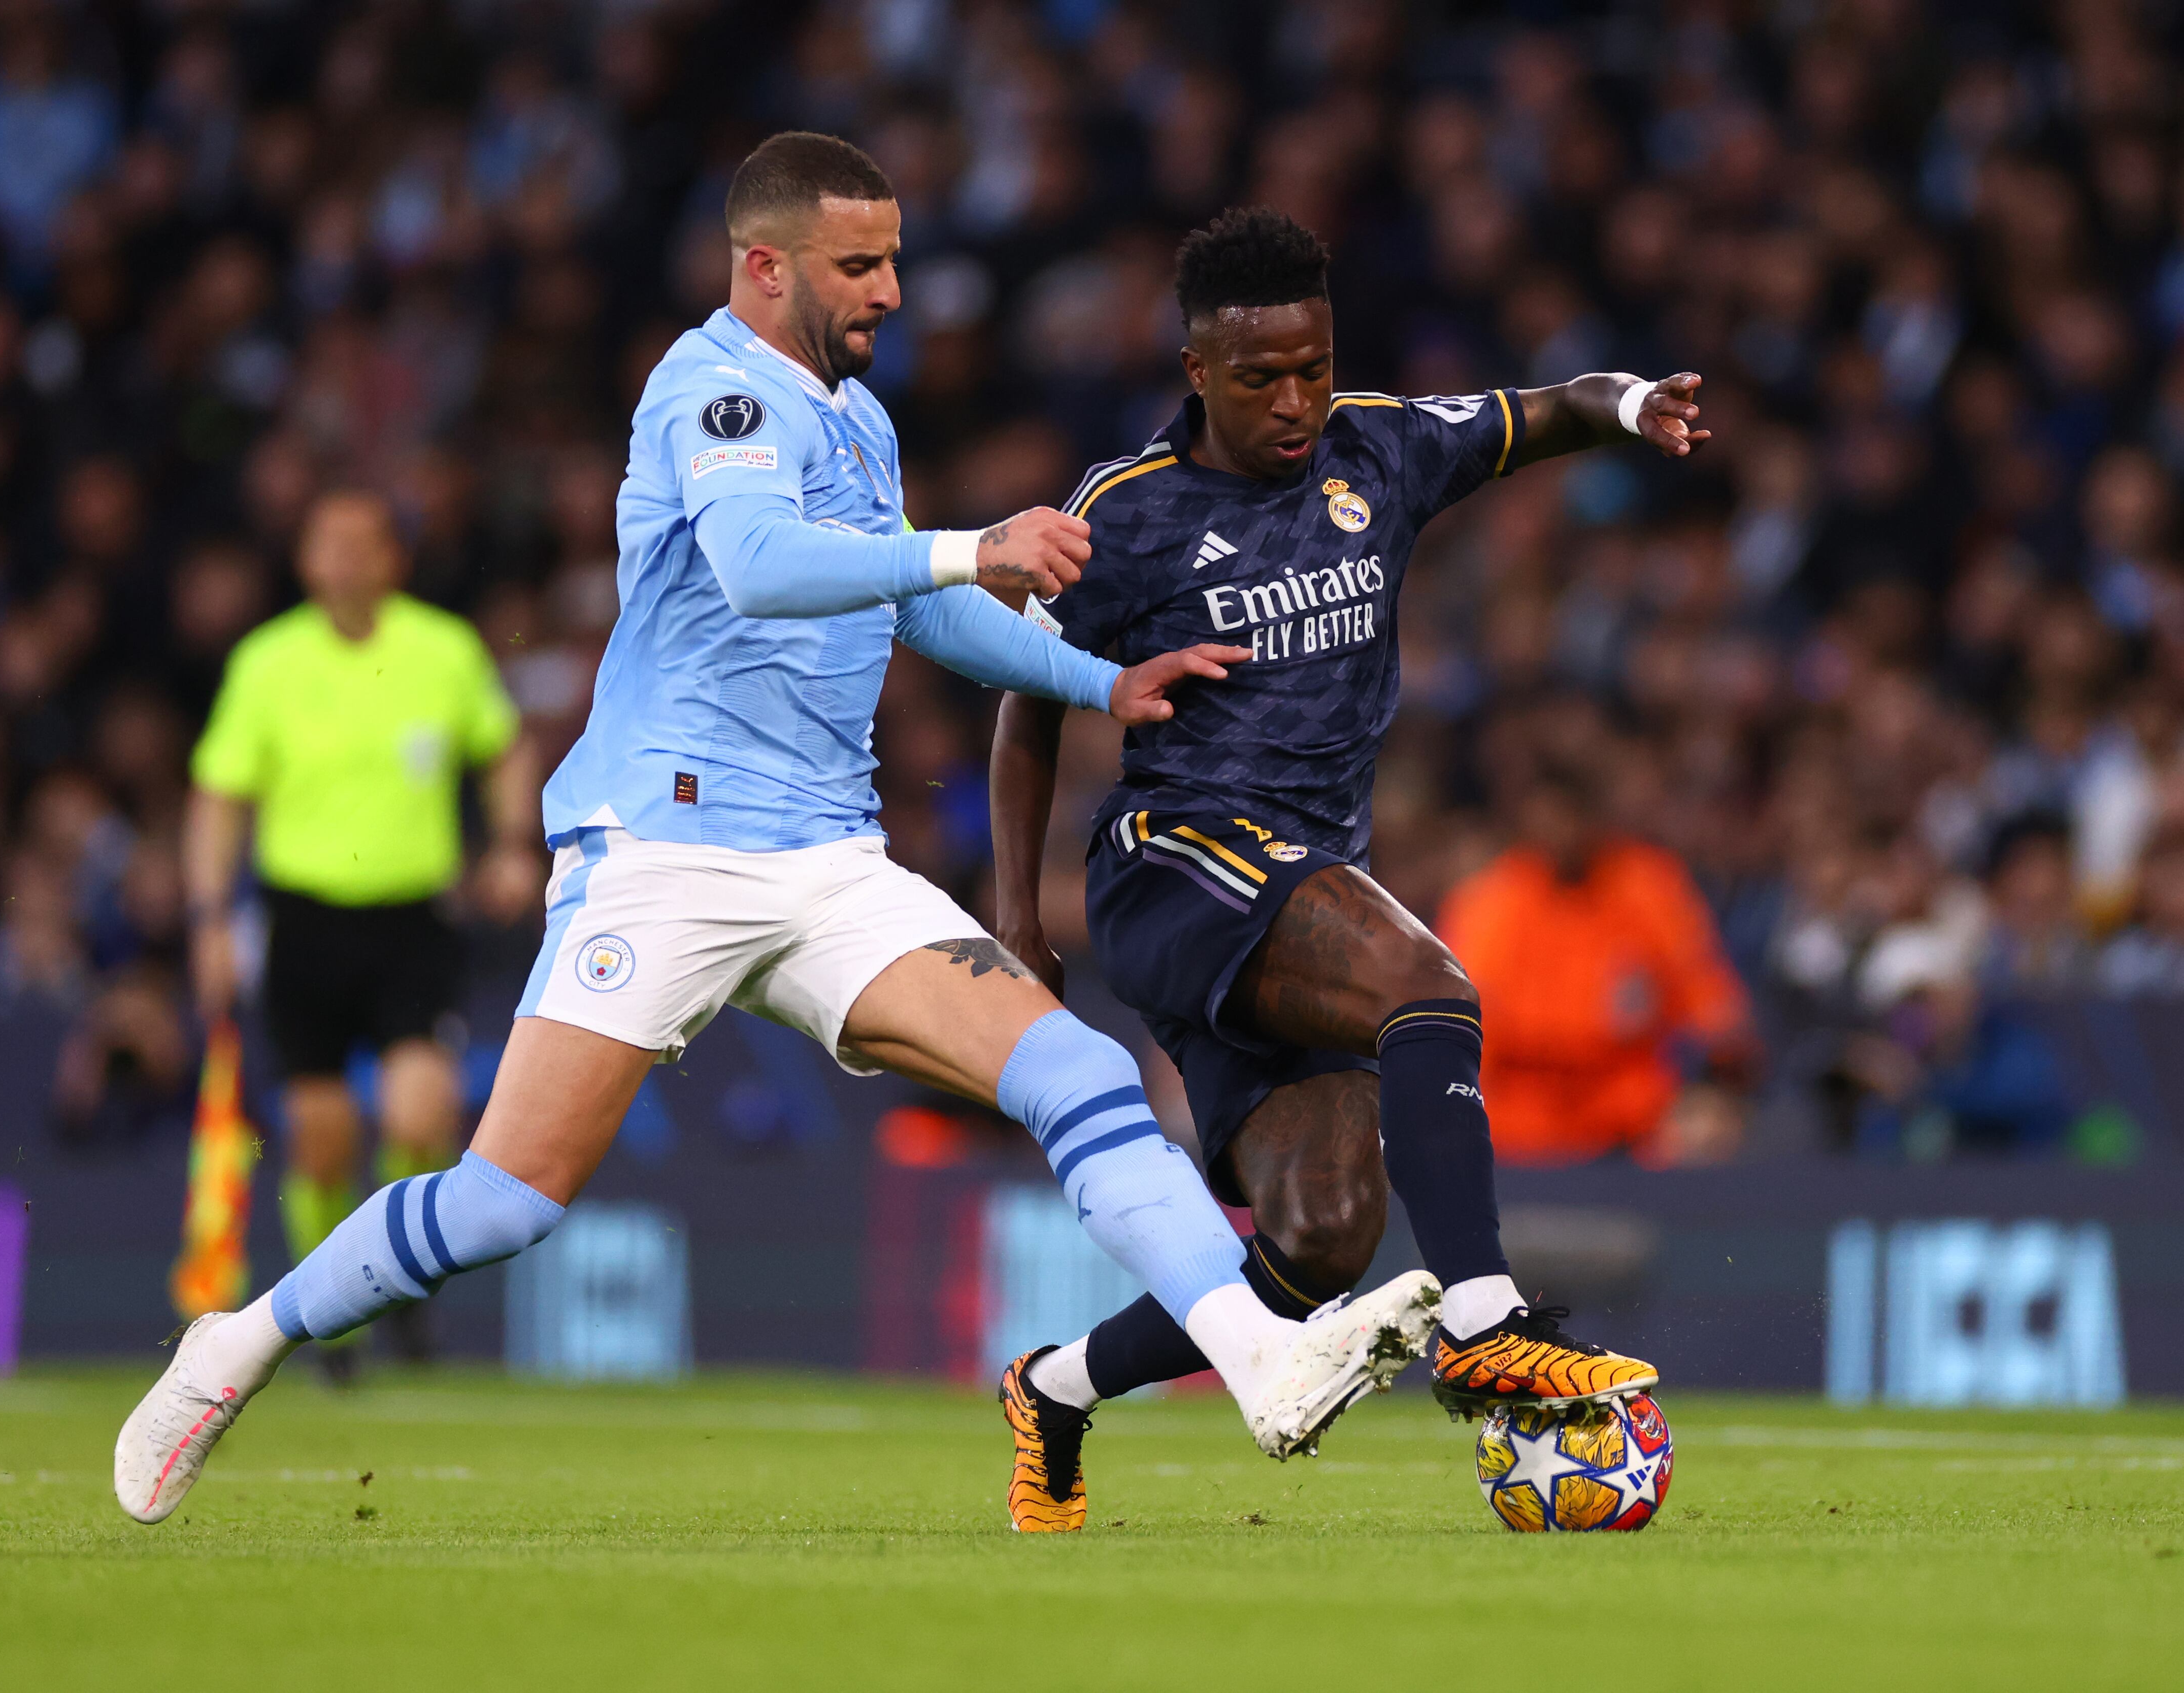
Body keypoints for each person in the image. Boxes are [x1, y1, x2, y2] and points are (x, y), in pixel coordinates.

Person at [116, 133, 1441, 1524]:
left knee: (1078, 1070)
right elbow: (758, 566)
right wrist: (972, 544)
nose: (890, 291)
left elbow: (914, 608)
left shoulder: (856, 418)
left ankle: (1261, 1361)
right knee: (507, 1199)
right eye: (858, 265)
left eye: (893, 260)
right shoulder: (715, 391)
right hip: (666, 856)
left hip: (827, 864)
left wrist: (1098, 680)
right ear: (766, 268)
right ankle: (240, 1340)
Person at [991, 207, 1703, 1532]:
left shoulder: (1379, 445)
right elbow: (1023, 694)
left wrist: (1629, 403)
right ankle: (1486, 1321)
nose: (1295, 400)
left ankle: (1053, 1386)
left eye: (1313, 366)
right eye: (1261, 376)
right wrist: (1017, 914)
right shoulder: (1124, 512)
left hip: (1299, 885)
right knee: (1427, 983)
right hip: (1174, 859)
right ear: (1197, 370)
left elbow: (1546, 409)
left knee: (1321, 1237)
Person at [183, 487, 545, 1378]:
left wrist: (511, 844)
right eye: (327, 542)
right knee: (321, 1135)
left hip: (412, 921)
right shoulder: (268, 661)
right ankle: (330, 1317)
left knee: (421, 1111)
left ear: (394, 559)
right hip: (304, 921)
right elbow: (220, 795)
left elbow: (504, 747)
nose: (344, 558)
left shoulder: (444, 650)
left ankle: (399, 1283)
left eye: (362, 542)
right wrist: (209, 917)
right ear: (304, 559)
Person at [1438, 760, 1757, 1169]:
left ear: (1595, 815)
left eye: (1570, 814)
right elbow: (1457, 1025)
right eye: (1546, 818)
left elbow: (1711, 1003)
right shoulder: (1492, 900)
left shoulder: (1649, 885)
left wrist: (1716, 1089)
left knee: (1703, 1131)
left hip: (1633, 1125)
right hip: (1517, 1132)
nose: (1559, 830)